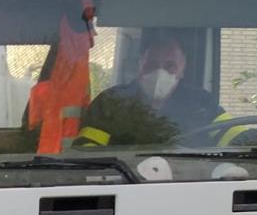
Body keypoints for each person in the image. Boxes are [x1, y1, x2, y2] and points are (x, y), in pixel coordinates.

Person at [76, 37, 235, 148]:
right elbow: (87, 149)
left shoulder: (201, 102)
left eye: (170, 66)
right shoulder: (110, 102)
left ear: (182, 70)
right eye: (152, 64)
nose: (160, 72)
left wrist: (255, 140)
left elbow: (231, 133)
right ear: (140, 66)